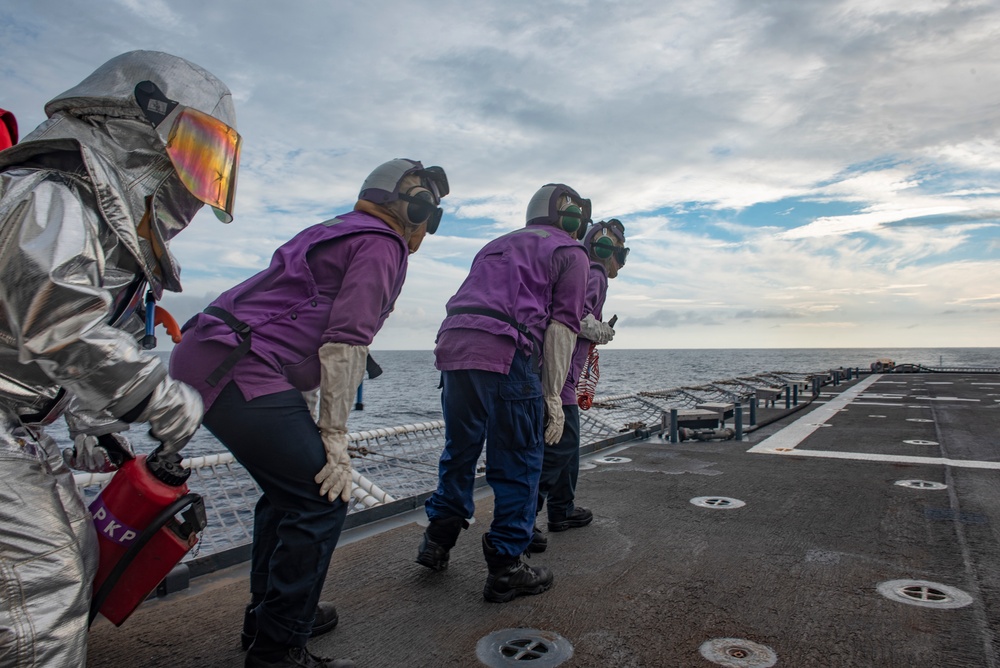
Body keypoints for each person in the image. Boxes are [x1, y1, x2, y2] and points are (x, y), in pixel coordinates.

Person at [0, 51, 240, 667]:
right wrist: (158, 395)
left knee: (70, 556)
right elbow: (56, 319)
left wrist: (95, 426)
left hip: (17, 422)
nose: (197, 177)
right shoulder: (51, 195)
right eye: (195, 149)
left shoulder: (72, 209)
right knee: (42, 592)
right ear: (136, 122)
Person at [170, 158, 449, 668]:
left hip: (212, 354)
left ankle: (270, 616)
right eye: (427, 209)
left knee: (288, 492)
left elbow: (292, 328)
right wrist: (335, 439)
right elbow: (345, 343)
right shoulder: (381, 243)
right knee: (321, 498)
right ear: (411, 207)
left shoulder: (336, 229)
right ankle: (279, 648)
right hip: (237, 367)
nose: (427, 222)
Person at [417, 183, 590, 603]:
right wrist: (553, 396)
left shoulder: (496, 243)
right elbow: (563, 327)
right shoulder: (571, 252)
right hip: (506, 349)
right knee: (518, 460)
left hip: (454, 346)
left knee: (459, 450)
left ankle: (437, 541)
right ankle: (507, 567)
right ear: (574, 219)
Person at [533, 219, 628, 551]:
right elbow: (576, 316)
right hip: (560, 377)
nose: (621, 261)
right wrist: (602, 330)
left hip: (561, 374)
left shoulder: (583, 269)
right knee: (560, 445)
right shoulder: (596, 274)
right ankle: (527, 516)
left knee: (567, 447)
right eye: (622, 253)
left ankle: (562, 510)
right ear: (607, 251)